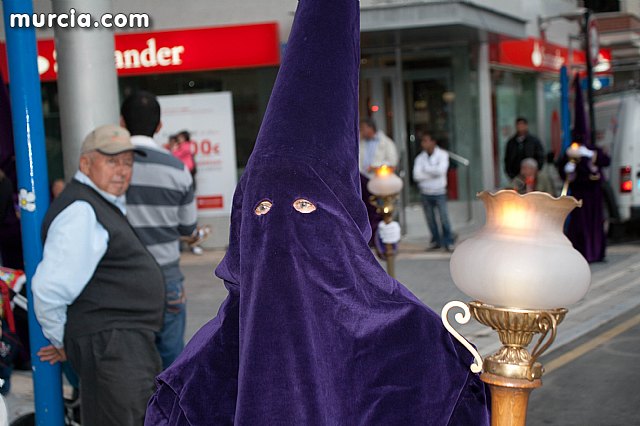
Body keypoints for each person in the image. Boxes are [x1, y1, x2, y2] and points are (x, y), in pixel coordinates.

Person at [145, 1, 490, 424]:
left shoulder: (415, 345)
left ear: (344, 223)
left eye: (305, 206)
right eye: (262, 209)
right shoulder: (202, 370)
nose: (281, 228)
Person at [32, 124, 164, 425]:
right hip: (113, 345)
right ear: (85, 164)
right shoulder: (82, 210)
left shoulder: (97, 203)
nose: (122, 171)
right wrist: (62, 338)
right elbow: (49, 289)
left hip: (118, 345)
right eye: (112, 161)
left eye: (128, 163)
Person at [120, 91, 198, 370]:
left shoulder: (111, 167)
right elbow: (187, 227)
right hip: (167, 278)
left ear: (121, 122)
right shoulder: (178, 169)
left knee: (128, 363)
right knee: (171, 363)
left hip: (122, 278)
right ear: (159, 126)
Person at [558, 141, 611, 263]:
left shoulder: (592, 149)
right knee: (579, 222)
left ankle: (595, 251)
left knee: (594, 221)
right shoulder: (570, 150)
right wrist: (567, 169)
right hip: (579, 192)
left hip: (594, 194)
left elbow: (605, 161)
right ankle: (581, 250)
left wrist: (592, 155)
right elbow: (564, 169)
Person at [413, 134, 455, 252]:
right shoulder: (420, 158)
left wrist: (425, 171)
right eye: (422, 141)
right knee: (430, 219)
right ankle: (436, 241)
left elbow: (441, 171)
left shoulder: (442, 155)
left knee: (443, 218)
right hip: (425, 192)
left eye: (426, 141)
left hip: (439, 192)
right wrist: (433, 172)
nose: (423, 144)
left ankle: (448, 241)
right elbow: (416, 176)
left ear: (433, 142)